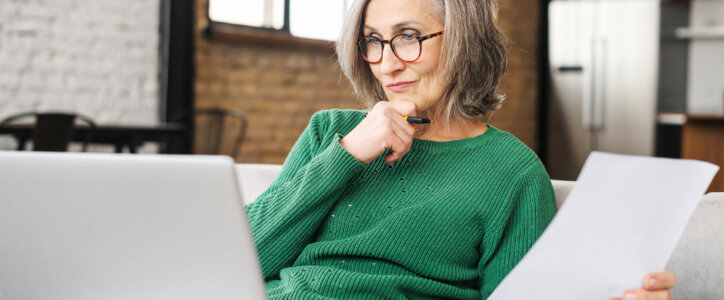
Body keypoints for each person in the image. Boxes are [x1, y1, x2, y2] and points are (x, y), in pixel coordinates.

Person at [245, 0, 677, 299]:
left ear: (462, 40)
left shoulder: (511, 173)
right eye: (372, 41)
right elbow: (242, 259)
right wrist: (347, 155)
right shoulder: (332, 133)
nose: (387, 63)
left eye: (408, 36)